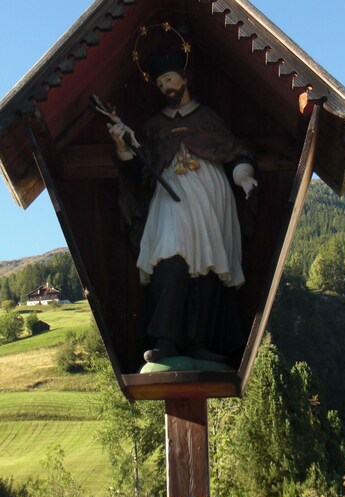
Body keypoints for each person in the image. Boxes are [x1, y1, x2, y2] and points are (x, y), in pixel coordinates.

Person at [108, 52, 257, 365]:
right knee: (170, 255)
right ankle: (166, 339)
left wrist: (243, 176)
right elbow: (141, 173)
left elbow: (233, 152)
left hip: (211, 197)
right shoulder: (153, 127)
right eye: (160, 83)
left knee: (208, 262)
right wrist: (123, 147)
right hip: (170, 196)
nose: (165, 86)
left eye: (169, 79)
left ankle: (200, 341)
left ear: (185, 78)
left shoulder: (208, 119)